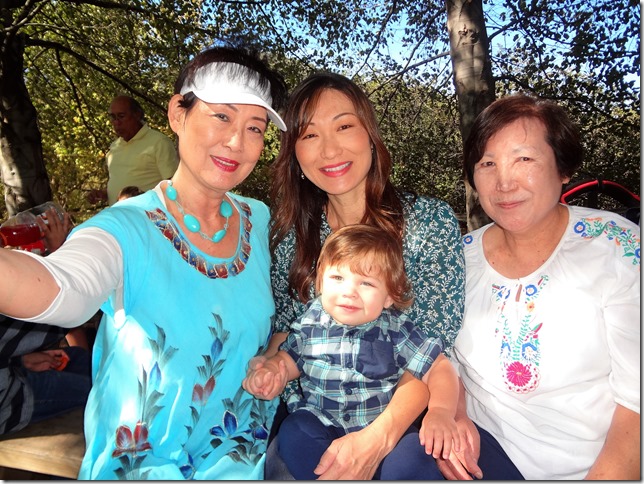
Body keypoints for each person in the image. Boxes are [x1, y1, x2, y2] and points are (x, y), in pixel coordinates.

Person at [0, 45, 288, 479]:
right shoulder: (125, 227)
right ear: (177, 114)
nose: (237, 142)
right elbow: (65, 287)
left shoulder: (261, 221)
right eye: (222, 116)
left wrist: (276, 358)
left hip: (243, 465)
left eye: (255, 127)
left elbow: (295, 315)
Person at [263, 72, 465, 479]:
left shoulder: (428, 223)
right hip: (314, 414)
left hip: (402, 417)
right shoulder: (290, 236)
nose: (329, 149)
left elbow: (430, 353)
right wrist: (267, 369)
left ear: (371, 136)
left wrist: (375, 441)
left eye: (344, 126)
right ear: (294, 153)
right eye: (309, 135)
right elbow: (286, 333)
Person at [439, 94, 640, 480]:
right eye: (487, 164)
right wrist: (455, 418)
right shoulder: (458, 259)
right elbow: (447, 362)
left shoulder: (617, 247)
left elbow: (637, 403)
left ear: (563, 169)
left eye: (524, 159)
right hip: (486, 458)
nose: (504, 182)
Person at [244, 224, 460, 479]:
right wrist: (273, 371)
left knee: (415, 456)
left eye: (366, 283)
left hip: (380, 428)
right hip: (322, 422)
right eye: (337, 278)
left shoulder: (396, 329)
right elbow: (290, 358)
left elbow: (439, 367)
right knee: (294, 432)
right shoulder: (311, 322)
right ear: (320, 282)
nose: (349, 292)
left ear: (389, 296)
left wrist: (441, 411)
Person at [88, 95, 179, 206]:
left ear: (137, 114)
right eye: (113, 117)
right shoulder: (114, 147)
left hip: (147, 214)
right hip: (118, 215)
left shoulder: (159, 142)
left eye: (121, 116)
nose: (116, 122)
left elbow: (174, 186)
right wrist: (103, 194)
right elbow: (121, 184)